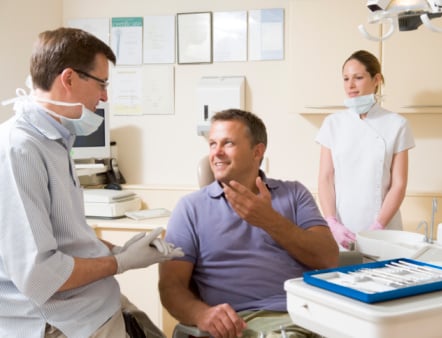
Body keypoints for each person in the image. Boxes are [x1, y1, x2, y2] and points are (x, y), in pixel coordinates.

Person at [0, 27, 183, 338]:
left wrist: (116, 249)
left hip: (96, 304)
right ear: (68, 79)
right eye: (101, 83)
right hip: (63, 323)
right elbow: (40, 275)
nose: (105, 96)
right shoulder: (19, 150)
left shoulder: (55, 140)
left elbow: (65, 238)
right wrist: (121, 263)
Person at [159, 109, 339, 338]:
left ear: (257, 151)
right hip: (245, 322)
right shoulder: (190, 208)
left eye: (228, 143)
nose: (217, 153)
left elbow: (328, 258)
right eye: (213, 144)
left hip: (312, 313)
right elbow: (170, 286)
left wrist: (268, 220)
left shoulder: (294, 194)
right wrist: (202, 314)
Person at [316, 50, 415, 250]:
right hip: (343, 229)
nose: (350, 86)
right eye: (345, 79)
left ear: (376, 79)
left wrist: (378, 226)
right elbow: (325, 178)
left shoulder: (397, 124)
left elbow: (398, 184)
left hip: (385, 231)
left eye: (358, 78)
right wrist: (331, 222)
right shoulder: (333, 123)